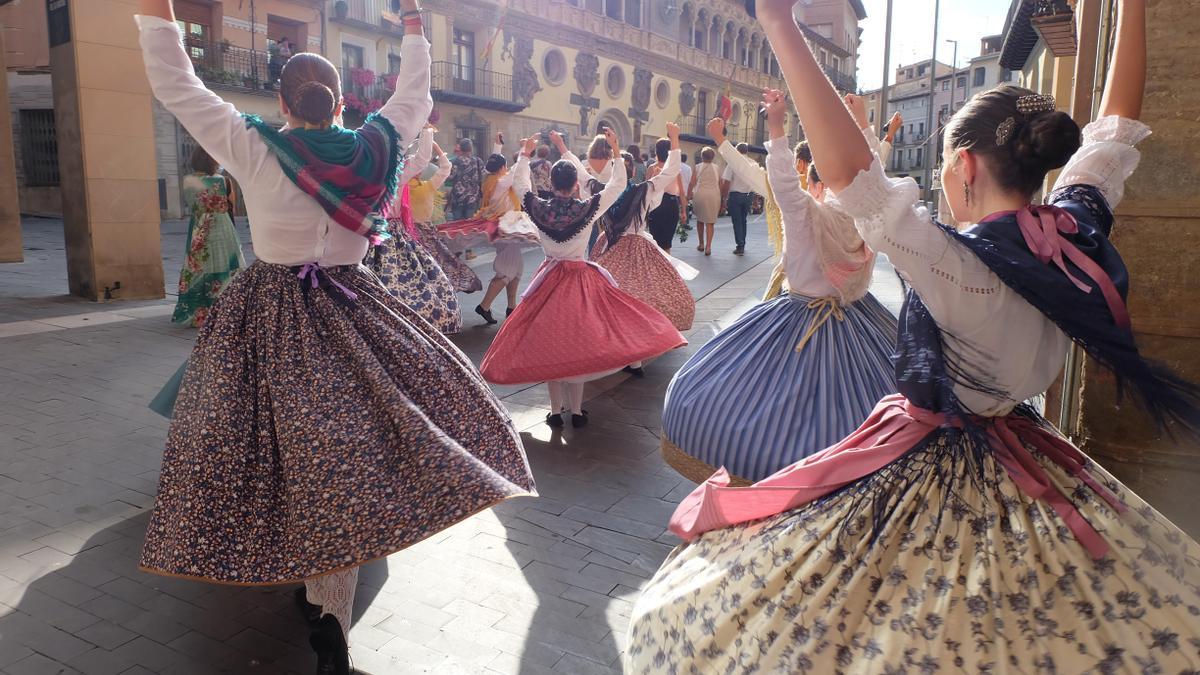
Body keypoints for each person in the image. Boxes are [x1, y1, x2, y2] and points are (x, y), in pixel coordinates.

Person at [628, 1, 1200, 671]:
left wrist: (779, 23)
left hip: (931, 479)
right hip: (1032, 461)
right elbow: (1112, 132)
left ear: (963, 166)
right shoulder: (1074, 230)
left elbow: (852, 178)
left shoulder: (960, 265)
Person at [134, 4, 535, 675]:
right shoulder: (376, 147)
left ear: (283, 101)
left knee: (278, 459)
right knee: (341, 470)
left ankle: (308, 587)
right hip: (356, 309)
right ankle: (330, 619)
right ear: (344, 102)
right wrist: (413, 29)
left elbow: (178, 85)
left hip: (267, 318)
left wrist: (157, 17)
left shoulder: (255, 143)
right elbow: (415, 98)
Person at [660, 90, 897, 485]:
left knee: (733, 400)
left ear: (815, 183)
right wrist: (865, 131)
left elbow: (783, 181)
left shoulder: (807, 216)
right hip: (858, 320)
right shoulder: (862, 215)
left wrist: (776, 126)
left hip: (798, 318)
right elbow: (868, 174)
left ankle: (770, 488)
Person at [479, 130, 687, 428]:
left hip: (548, 281)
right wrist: (616, 152)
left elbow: (521, 184)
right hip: (578, 281)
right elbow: (617, 186)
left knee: (551, 347)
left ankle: (554, 411)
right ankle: (576, 411)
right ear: (577, 185)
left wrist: (524, 154)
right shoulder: (587, 209)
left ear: (551, 183)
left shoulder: (538, 209)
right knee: (576, 344)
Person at [592, 123, 697, 337]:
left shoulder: (604, 192)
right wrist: (675, 139)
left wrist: (612, 148)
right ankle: (637, 340)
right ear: (634, 171)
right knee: (646, 292)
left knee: (608, 291)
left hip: (608, 245)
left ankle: (614, 334)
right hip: (638, 247)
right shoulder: (644, 190)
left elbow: (583, 177)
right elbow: (671, 171)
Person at [363, 124, 461, 333]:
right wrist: (427, 134)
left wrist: (426, 135)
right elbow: (422, 160)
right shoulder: (394, 175)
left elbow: (421, 161)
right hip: (383, 235)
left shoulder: (383, 174)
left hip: (379, 235)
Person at [440, 133, 539, 324]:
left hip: (504, 226)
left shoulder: (490, 179)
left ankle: (511, 307)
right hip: (507, 227)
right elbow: (518, 169)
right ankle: (484, 306)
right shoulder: (502, 181)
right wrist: (525, 151)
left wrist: (497, 145)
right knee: (508, 271)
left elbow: (497, 167)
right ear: (502, 168)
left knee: (516, 269)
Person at [171, 145, 245, 327]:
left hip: (198, 229)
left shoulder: (187, 181)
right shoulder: (223, 181)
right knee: (227, 267)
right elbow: (231, 208)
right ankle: (225, 311)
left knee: (199, 268)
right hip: (222, 228)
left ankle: (198, 313)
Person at [409, 137, 483, 294]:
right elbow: (445, 168)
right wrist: (436, 147)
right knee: (460, 232)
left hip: (407, 232)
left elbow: (450, 173)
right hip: (429, 228)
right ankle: (464, 252)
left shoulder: (400, 187)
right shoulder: (428, 187)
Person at [643, 134, 689, 254]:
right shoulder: (674, 170)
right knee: (667, 243)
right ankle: (666, 268)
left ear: (657, 151)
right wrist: (684, 210)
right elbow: (682, 192)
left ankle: (656, 268)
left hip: (655, 206)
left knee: (655, 241)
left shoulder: (651, 168)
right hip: (671, 204)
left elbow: (646, 191)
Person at [720, 141, 756, 255]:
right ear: (747, 151)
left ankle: (740, 246)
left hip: (735, 195)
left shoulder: (733, 163)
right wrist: (754, 199)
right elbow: (756, 182)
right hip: (748, 195)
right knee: (743, 220)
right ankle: (742, 244)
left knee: (737, 221)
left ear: (736, 151)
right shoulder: (753, 163)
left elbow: (726, 182)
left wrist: (723, 199)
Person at [688, 146, 721, 255]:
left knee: (700, 220)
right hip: (713, 195)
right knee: (710, 223)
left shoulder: (697, 167)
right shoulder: (717, 168)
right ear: (713, 157)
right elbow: (720, 184)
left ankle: (701, 244)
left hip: (700, 195)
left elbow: (692, 182)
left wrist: (688, 195)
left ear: (702, 156)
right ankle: (708, 247)